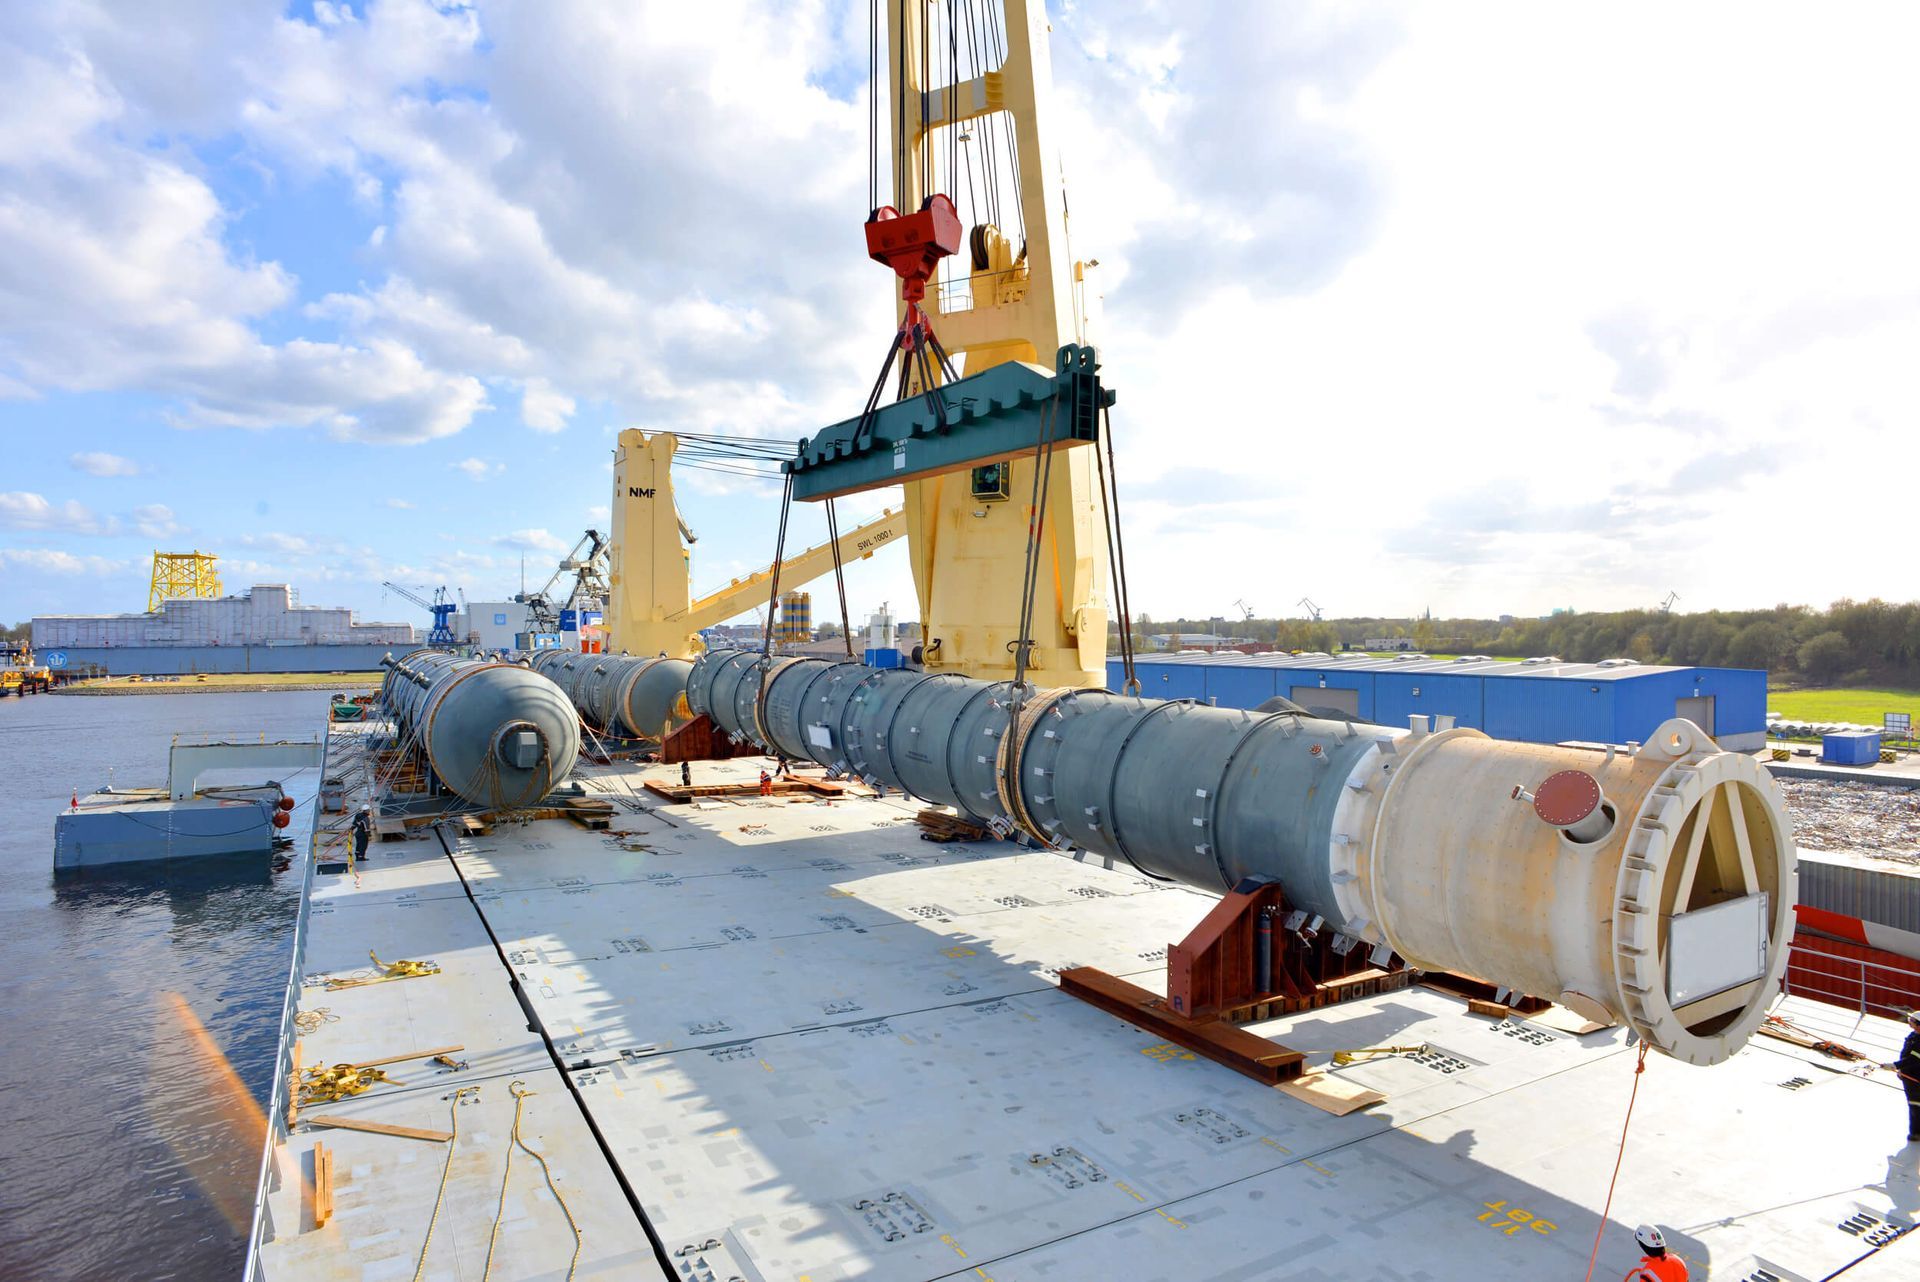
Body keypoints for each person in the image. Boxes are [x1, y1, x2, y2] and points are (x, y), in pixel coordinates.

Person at [1883, 1009, 1920, 1140]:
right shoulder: (1913, 1035)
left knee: (1915, 1104)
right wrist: (1901, 1070)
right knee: (1914, 1104)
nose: (1909, 1022)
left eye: (1912, 1021)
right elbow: (1907, 1055)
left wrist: (1895, 1065)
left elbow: (1914, 1060)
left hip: (1915, 1078)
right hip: (1909, 1075)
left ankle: (1916, 1133)